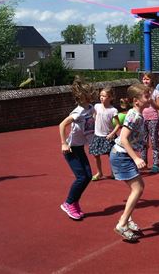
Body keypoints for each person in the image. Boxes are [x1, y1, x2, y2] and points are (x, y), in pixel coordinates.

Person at [110, 83, 150, 242]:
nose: (149, 98)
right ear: (136, 101)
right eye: (146, 96)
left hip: (123, 154)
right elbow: (124, 138)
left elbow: (132, 137)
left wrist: (142, 143)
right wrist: (136, 158)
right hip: (122, 156)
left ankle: (127, 219)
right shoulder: (134, 115)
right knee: (138, 188)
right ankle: (122, 223)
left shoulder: (137, 114)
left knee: (138, 188)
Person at [59, 76, 96, 220]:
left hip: (80, 147)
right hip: (71, 149)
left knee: (88, 177)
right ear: (83, 96)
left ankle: (74, 202)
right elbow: (62, 125)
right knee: (81, 177)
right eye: (90, 94)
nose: (92, 95)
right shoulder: (78, 111)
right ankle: (68, 203)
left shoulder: (91, 108)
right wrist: (64, 143)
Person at [90, 87, 120, 181]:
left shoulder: (113, 110)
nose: (101, 97)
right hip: (97, 135)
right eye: (100, 95)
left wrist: (112, 134)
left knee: (111, 155)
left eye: (104, 96)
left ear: (110, 97)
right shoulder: (96, 106)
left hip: (108, 136)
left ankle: (113, 172)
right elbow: (93, 117)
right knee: (96, 154)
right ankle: (99, 173)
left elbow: (118, 124)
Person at [141, 72, 159, 173]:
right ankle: (143, 163)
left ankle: (156, 164)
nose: (145, 81)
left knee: (154, 141)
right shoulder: (140, 92)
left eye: (147, 79)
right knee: (143, 142)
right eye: (144, 79)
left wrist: (151, 102)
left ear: (152, 80)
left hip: (153, 119)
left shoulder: (156, 92)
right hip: (142, 119)